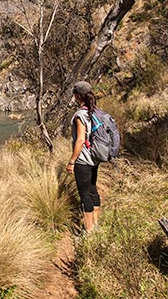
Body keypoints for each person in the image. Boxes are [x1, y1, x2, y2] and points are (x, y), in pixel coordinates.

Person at [66, 80, 101, 233]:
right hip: (94, 158)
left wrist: (72, 161)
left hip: (83, 160)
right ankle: (96, 223)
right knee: (93, 189)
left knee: (84, 194)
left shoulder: (80, 114)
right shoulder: (94, 110)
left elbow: (80, 139)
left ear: (78, 96)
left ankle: (89, 230)